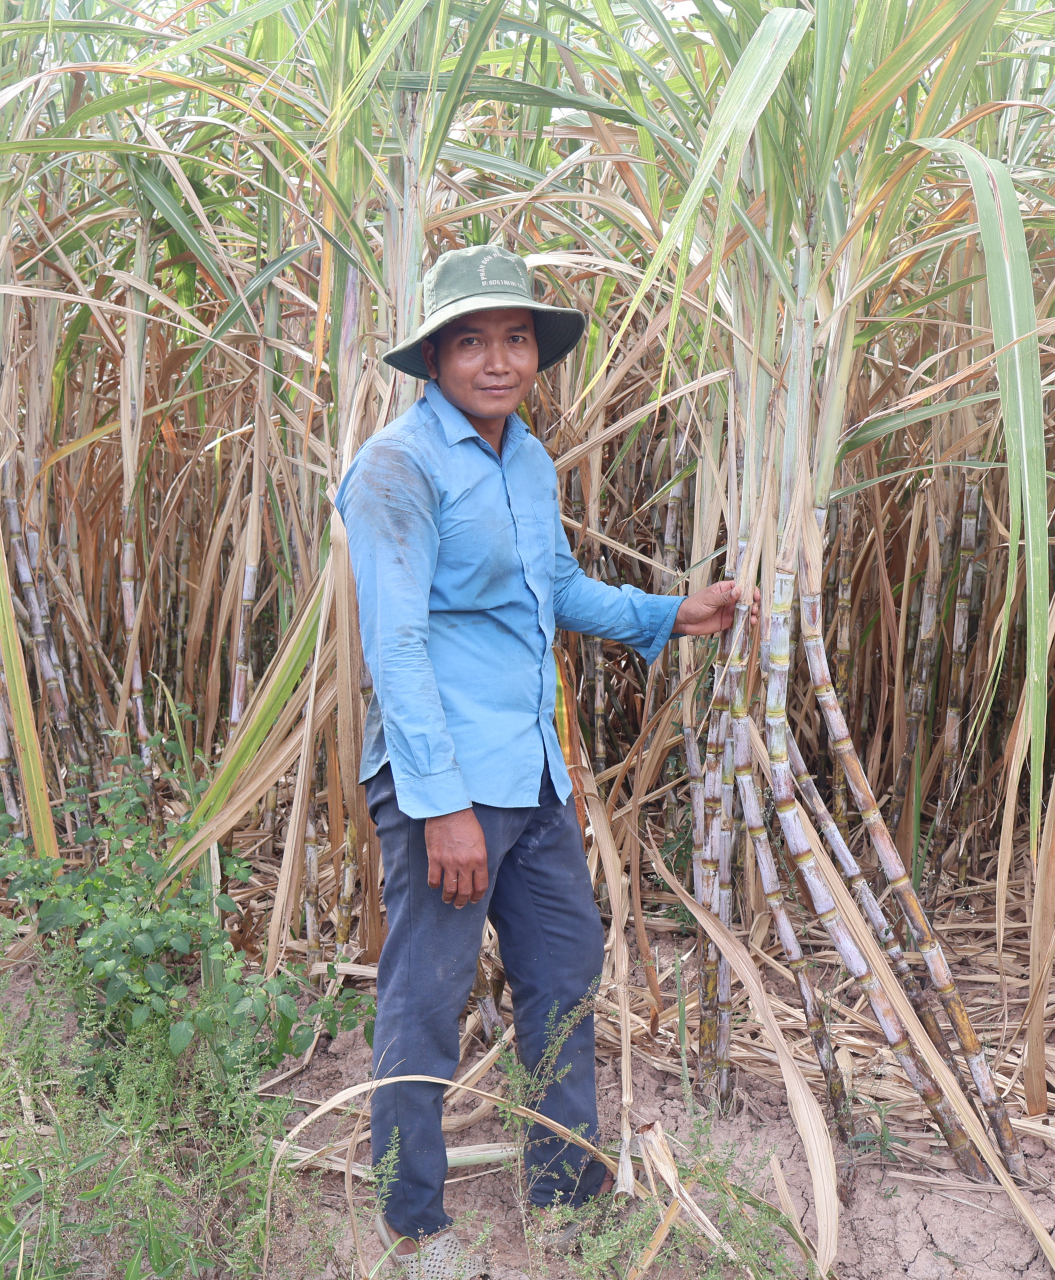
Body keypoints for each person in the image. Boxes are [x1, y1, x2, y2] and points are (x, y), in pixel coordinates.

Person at [335, 244, 739, 1278]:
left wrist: (669, 613)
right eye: (472, 340)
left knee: (563, 971)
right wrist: (442, 806)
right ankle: (412, 1224)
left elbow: (553, 587)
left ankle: (565, 1197)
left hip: (532, 772)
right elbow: (398, 648)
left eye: (515, 338)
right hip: (445, 783)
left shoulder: (525, 458)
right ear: (434, 357)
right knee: (426, 997)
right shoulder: (396, 468)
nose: (498, 359)